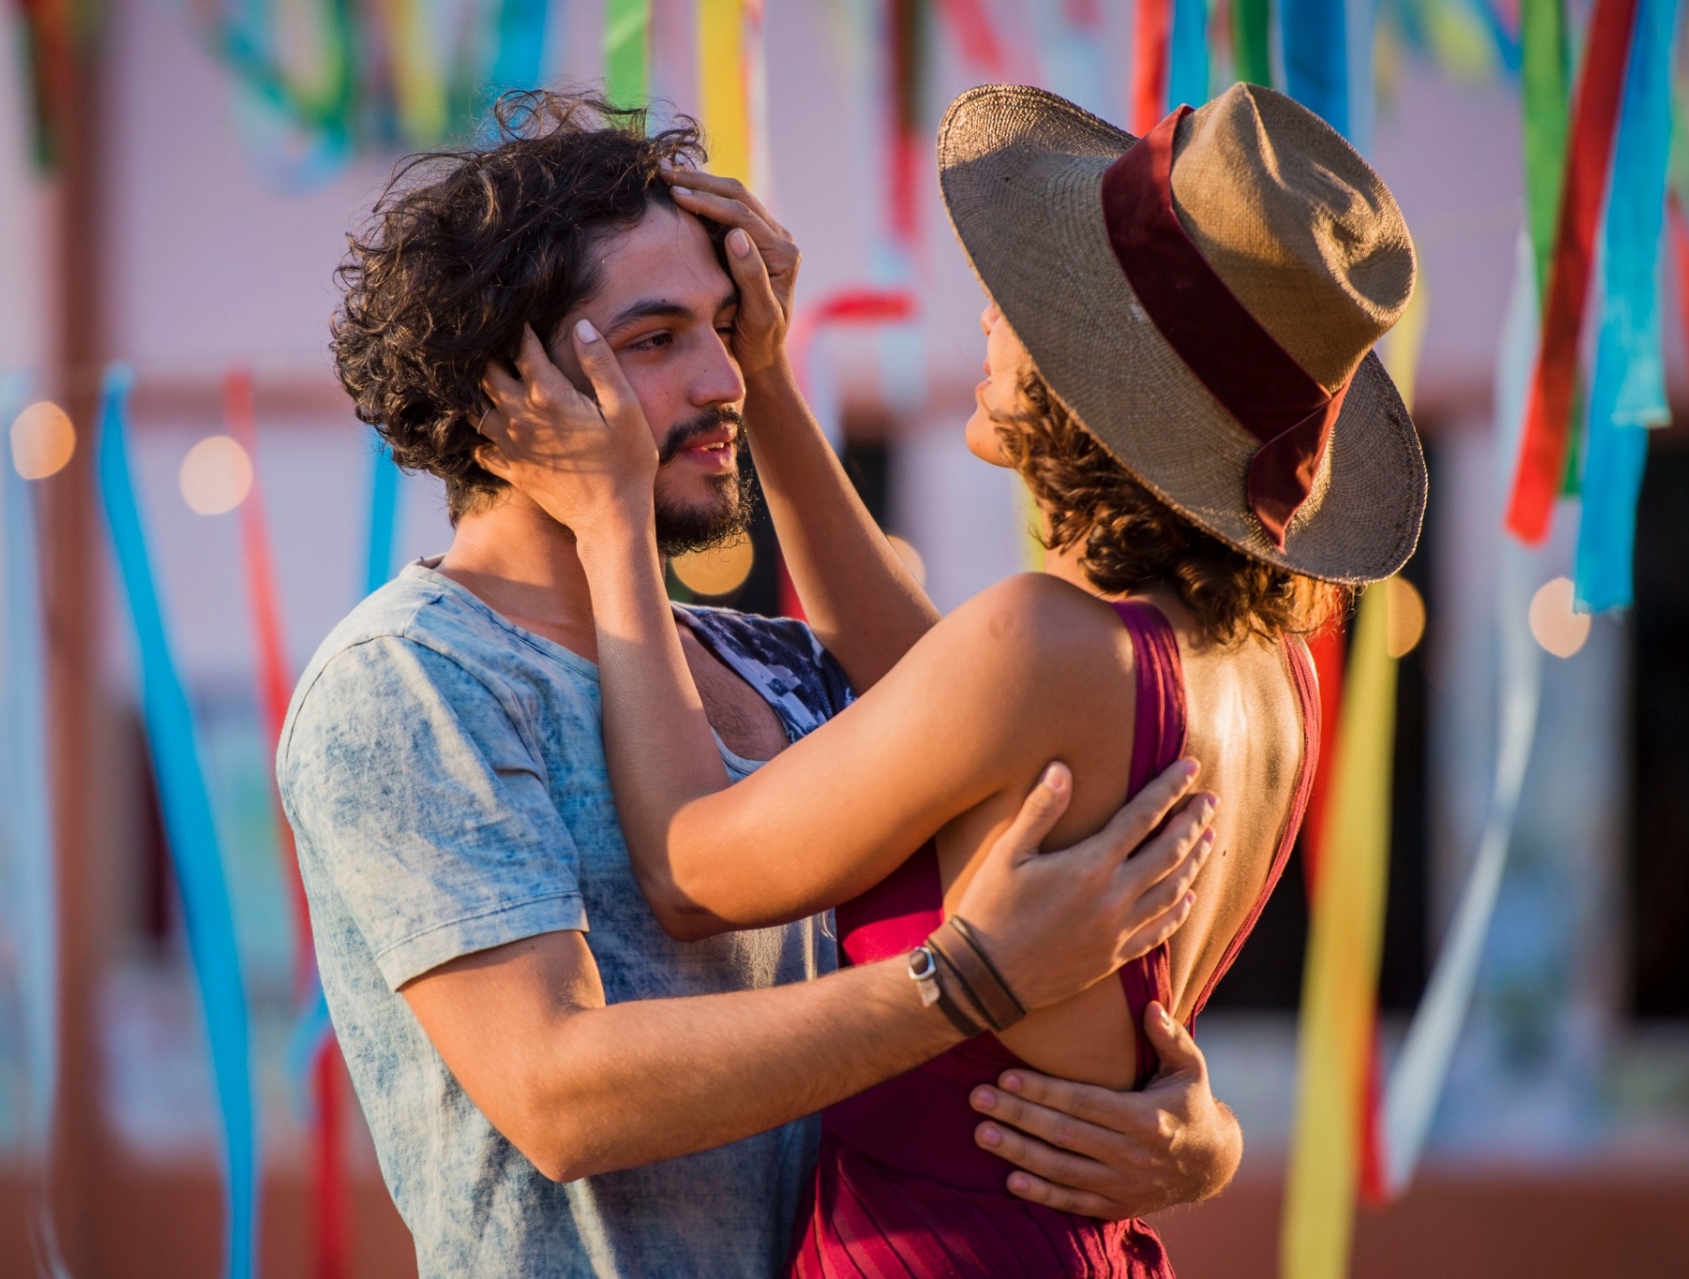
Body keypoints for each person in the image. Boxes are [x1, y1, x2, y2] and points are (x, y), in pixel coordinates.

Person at [283, 91, 1246, 1279]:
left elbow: (971, 698)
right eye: (655, 341)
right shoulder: (411, 681)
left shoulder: (773, 659)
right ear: (506, 390)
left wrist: (1199, 1139)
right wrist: (961, 985)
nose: (723, 379)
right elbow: (557, 1095)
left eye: (727, 329)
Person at [478, 82, 1426, 1276]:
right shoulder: (1264, 668)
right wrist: (766, 379)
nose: (989, 310)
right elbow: (921, 678)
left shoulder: (1048, 642)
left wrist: (612, 518)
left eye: (1038, 300)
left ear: (1103, 384)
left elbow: (688, 870)